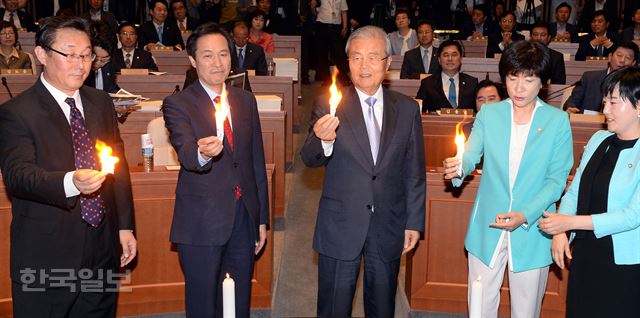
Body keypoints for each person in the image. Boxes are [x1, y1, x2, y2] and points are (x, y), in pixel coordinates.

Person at [0, 16, 136, 317]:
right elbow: (18, 175)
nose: (81, 63)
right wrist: (71, 182)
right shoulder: (16, 113)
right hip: (47, 252)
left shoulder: (100, 102)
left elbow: (119, 167)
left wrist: (125, 225)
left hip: (101, 245)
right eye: (70, 54)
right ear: (42, 55)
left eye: (86, 54)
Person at [300, 25, 425, 317]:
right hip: (341, 224)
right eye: (356, 58)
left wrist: (414, 222)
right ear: (348, 64)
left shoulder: (407, 109)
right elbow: (309, 158)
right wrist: (323, 140)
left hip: (389, 223)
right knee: (333, 306)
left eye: (372, 57)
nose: (364, 65)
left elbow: (414, 171)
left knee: (382, 306)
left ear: (388, 63)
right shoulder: (329, 103)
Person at [443, 40, 573, 318]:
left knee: (526, 310)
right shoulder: (490, 113)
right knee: (479, 306)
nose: (519, 88)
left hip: (532, 227)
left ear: (543, 82)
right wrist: (458, 168)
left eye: (529, 79)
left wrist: (525, 214)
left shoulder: (556, 121)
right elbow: (471, 155)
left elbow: (556, 181)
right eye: (513, 78)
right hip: (487, 225)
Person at [162, 22, 269, 318]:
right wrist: (202, 152)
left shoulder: (245, 100)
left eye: (223, 54)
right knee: (203, 303)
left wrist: (261, 218)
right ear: (193, 61)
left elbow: (255, 161)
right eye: (208, 56)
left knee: (238, 301)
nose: (218, 62)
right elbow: (185, 151)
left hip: (244, 218)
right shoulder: (177, 103)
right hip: (201, 221)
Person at [539, 66, 640, 317]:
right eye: (605, 101)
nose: (605, 111)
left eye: (614, 103)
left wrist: (569, 222)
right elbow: (574, 192)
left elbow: (633, 216)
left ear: (638, 106)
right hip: (585, 251)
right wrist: (561, 231)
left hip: (624, 260)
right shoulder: (598, 140)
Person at [564, 41, 638, 113]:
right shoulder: (590, 78)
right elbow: (572, 102)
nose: (622, 60)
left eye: (628, 58)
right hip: (588, 123)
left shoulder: (635, 85)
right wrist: (570, 107)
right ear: (610, 57)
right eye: (619, 55)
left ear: (633, 63)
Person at [416, 39, 478, 112]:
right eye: (446, 55)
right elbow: (418, 112)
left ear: (461, 59)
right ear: (439, 60)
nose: (450, 59)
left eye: (454, 55)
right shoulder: (428, 83)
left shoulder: (472, 83)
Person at [84, 21, 119, 93]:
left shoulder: (111, 63)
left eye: (104, 60)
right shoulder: (80, 68)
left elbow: (111, 88)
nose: (98, 64)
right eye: (95, 58)